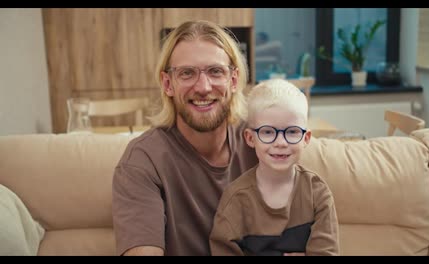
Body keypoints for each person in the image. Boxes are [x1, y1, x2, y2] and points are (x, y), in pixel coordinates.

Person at [111, 20, 258, 256]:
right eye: (187, 73)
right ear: (168, 84)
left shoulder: (261, 143)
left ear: (233, 80)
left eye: (215, 71)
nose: (203, 87)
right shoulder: (142, 162)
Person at [209, 79, 340, 256]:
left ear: (306, 138)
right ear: (250, 138)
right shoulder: (236, 199)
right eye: (268, 132)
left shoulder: (317, 193)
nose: (280, 142)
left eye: (292, 131)